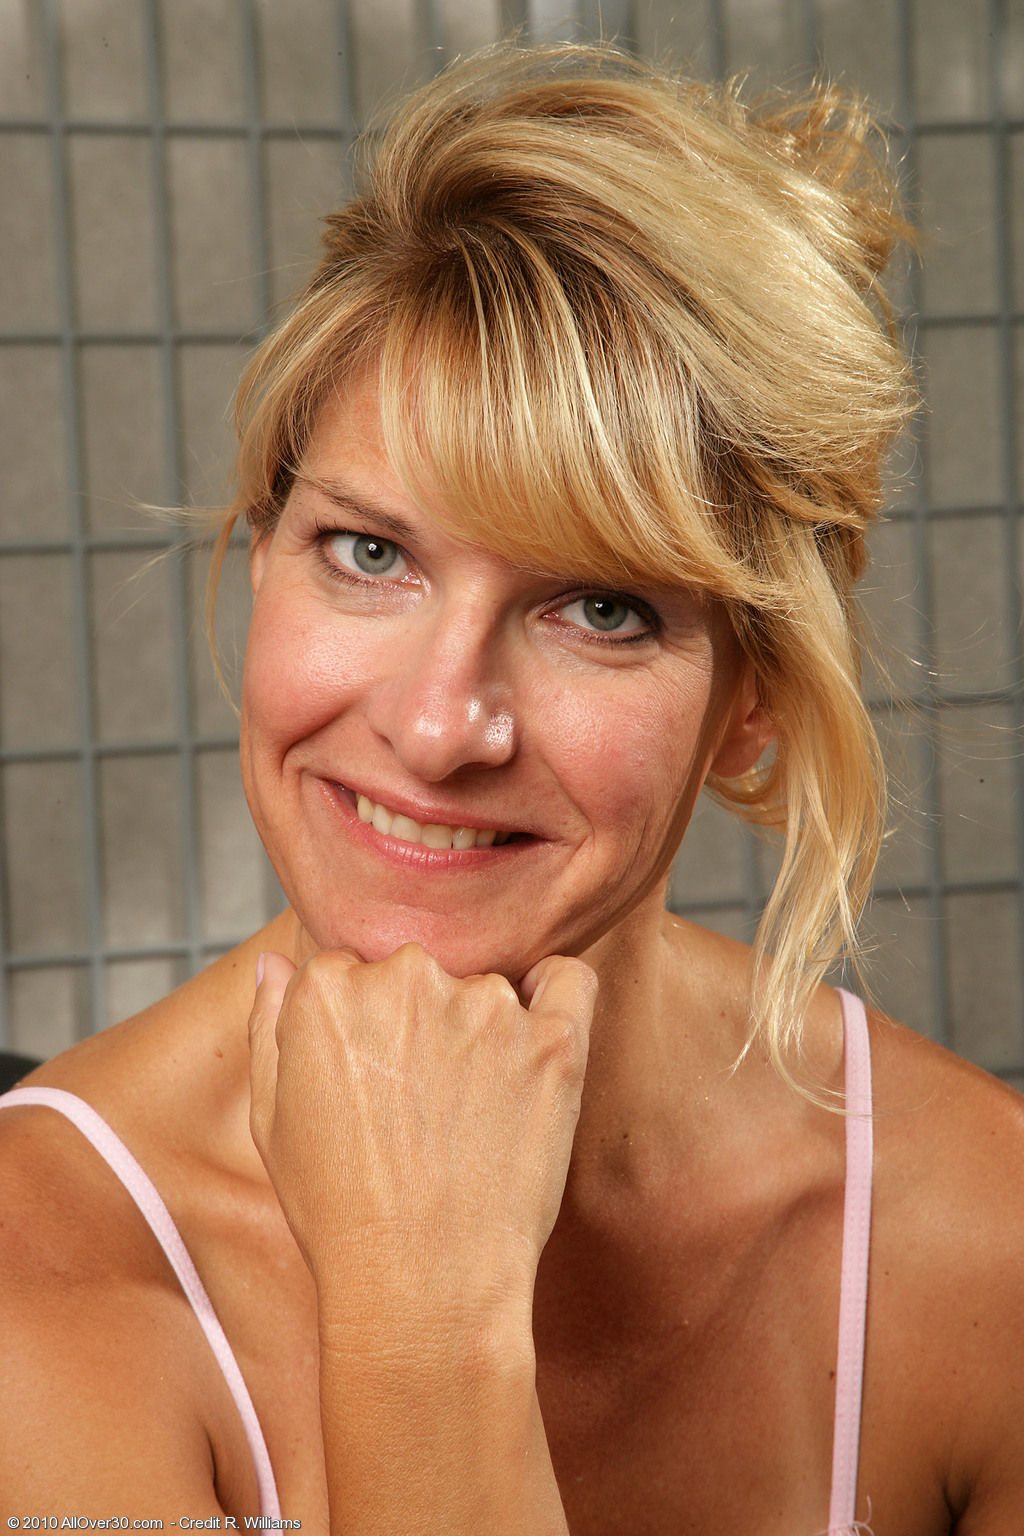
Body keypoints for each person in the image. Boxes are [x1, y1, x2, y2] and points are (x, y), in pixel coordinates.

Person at [1, 41, 1022, 1535]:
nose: (438, 728)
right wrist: (421, 1317)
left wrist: (426, 1315)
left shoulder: (981, 1243)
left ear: (754, 699)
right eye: (369, 553)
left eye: (600, 608)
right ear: (263, 554)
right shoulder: (43, 1271)